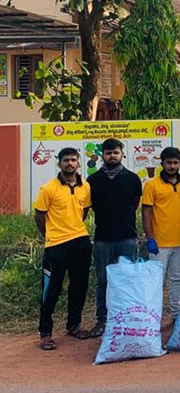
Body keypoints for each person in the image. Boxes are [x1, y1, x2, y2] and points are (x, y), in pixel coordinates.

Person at [34, 148, 92, 350]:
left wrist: (74, 229)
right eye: (66, 160)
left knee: (79, 286)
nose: (70, 163)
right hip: (56, 245)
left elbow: (84, 211)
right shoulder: (48, 188)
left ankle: (73, 325)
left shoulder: (85, 187)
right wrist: (52, 236)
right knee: (51, 289)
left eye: (73, 160)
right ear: (59, 163)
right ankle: (45, 333)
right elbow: (39, 216)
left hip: (81, 241)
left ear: (78, 163)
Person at [86, 138, 142, 339]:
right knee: (103, 281)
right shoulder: (92, 181)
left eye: (115, 152)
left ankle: (126, 319)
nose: (112, 156)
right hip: (102, 240)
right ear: (103, 155)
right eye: (108, 152)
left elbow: (135, 203)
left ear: (122, 154)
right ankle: (102, 319)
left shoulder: (133, 179)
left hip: (127, 237)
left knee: (128, 280)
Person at [142, 146, 180, 320]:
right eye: (169, 163)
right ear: (162, 163)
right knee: (156, 282)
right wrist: (149, 238)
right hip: (159, 243)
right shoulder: (152, 185)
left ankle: (176, 313)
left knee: (176, 279)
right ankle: (154, 315)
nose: (172, 166)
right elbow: (146, 212)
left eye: (175, 163)